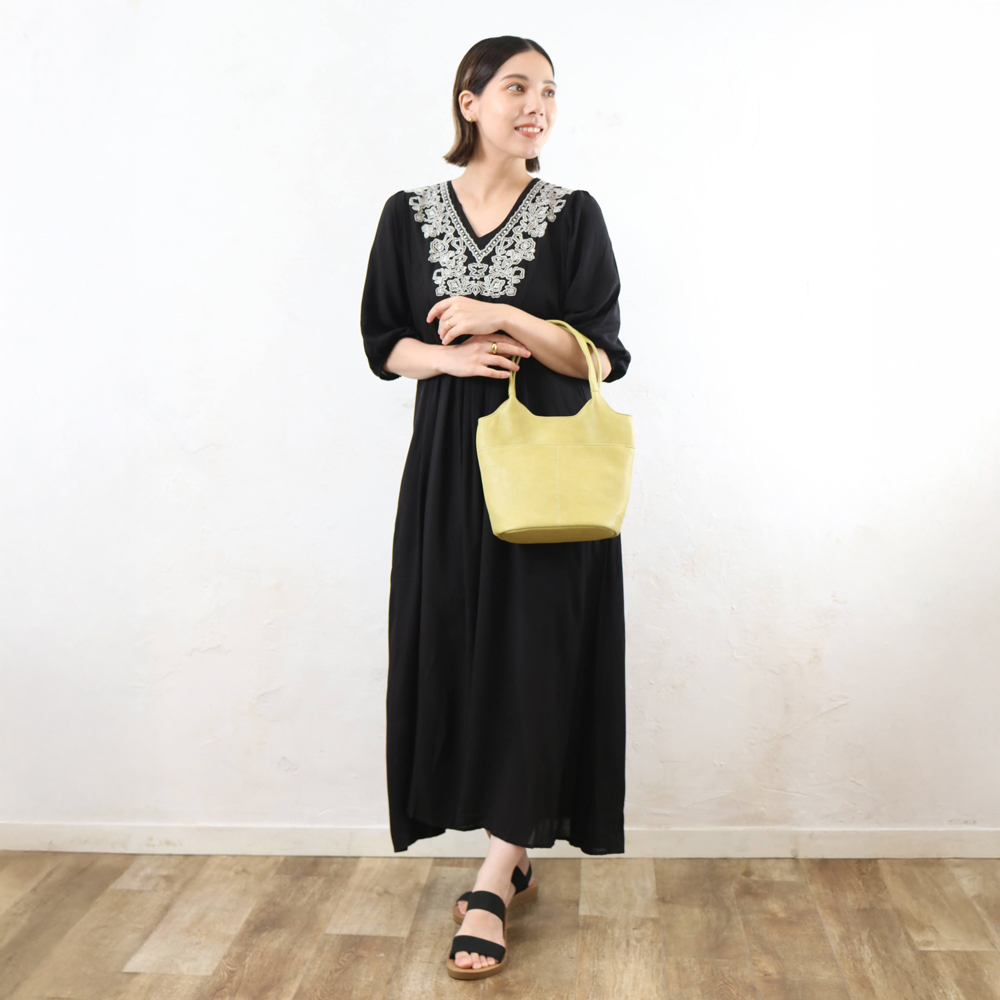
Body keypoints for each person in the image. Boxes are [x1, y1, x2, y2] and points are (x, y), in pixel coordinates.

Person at [359, 35, 631, 980]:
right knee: (453, 644)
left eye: (548, 90)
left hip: (545, 473)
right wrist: (452, 356)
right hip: (449, 467)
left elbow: (600, 354)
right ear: (469, 101)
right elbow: (383, 340)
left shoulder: (574, 216)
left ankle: (493, 877)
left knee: (533, 661)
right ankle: (503, 855)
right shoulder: (407, 214)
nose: (536, 105)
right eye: (516, 86)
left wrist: (505, 316)